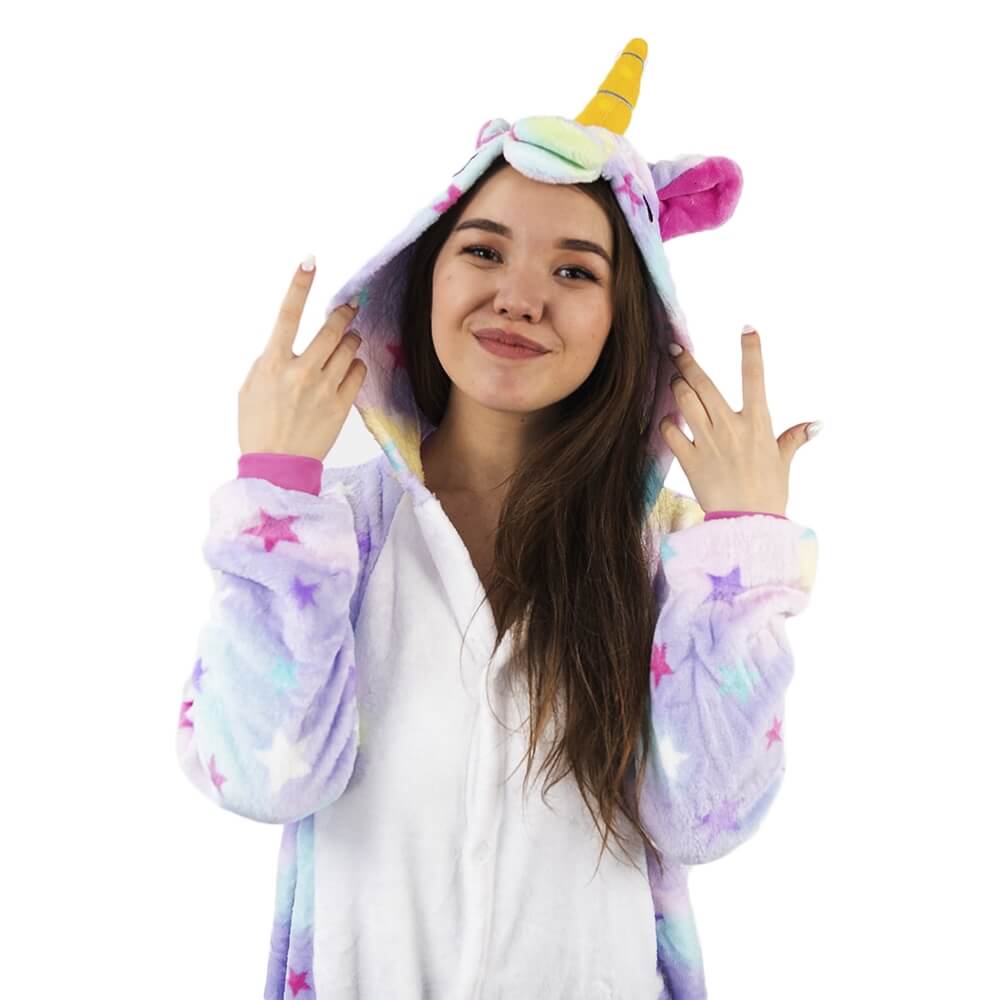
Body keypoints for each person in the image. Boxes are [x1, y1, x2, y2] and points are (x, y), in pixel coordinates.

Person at [175, 38, 820, 1000]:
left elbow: (703, 815)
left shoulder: (669, 561)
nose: (518, 298)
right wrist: (274, 488)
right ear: (424, 276)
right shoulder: (328, 535)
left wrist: (742, 553)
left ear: (626, 321)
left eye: (576, 272)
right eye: (483, 250)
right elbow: (260, 776)